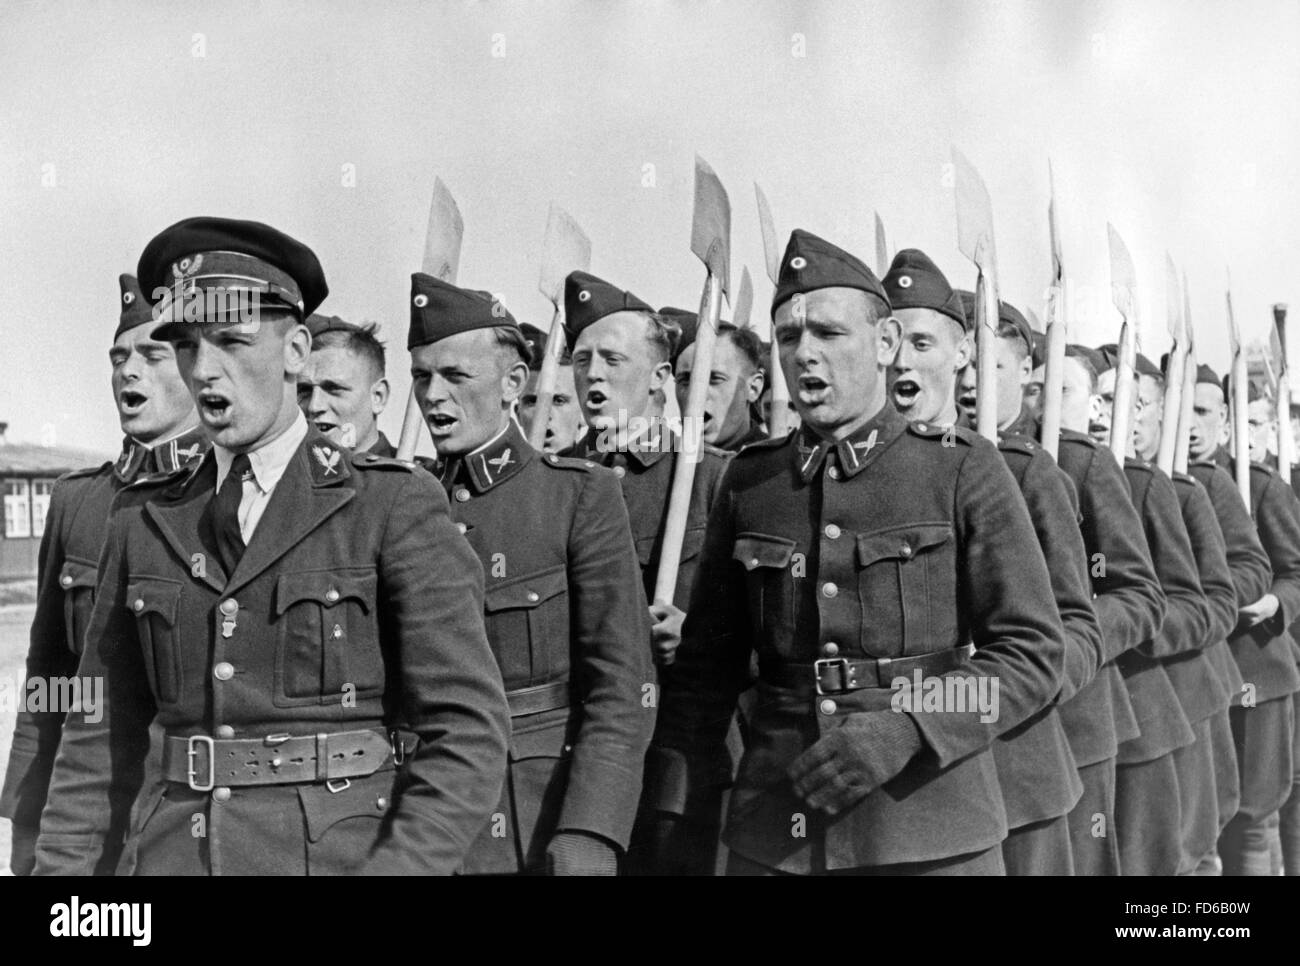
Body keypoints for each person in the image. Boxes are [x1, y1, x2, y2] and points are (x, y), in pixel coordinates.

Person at [34, 216, 510, 875]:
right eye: (187, 345)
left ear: (295, 352)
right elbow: (94, 743)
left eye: (231, 339)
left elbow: (466, 734)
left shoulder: (390, 505)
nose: (205, 370)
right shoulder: (141, 520)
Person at [651, 229, 1066, 875]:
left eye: (828, 334)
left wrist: (911, 726)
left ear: (886, 344)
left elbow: (1033, 657)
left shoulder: (961, 471)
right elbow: (708, 669)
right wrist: (675, 802)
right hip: (776, 829)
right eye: (789, 337)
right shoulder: (754, 480)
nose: (805, 354)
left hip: (930, 829)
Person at [406, 272, 654, 874]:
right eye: (421, 376)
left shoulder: (576, 496)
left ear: (513, 383)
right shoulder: (400, 503)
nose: (434, 396)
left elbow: (622, 687)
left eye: (456, 377)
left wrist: (590, 829)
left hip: (533, 822)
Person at [885, 251, 1099, 875]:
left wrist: (1007, 682)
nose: (903, 361)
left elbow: (1072, 630)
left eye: (922, 343)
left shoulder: (1023, 473)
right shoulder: (846, 481)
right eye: (891, 342)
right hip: (910, 785)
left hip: (1015, 763)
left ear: (958, 358)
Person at [0, 273, 208, 875]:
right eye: (119, 357)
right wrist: (30, 821)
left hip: (186, 820)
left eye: (151, 355)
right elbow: (51, 680)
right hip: (91, 816)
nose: (128, 372)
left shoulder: (231, 495)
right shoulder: (80, 501)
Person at [1094, 346, 1209, 875]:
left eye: (1129, 404)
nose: (1108, 414)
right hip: (1074, 720)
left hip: (1146, 702)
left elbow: (1200, 602)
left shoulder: (1149, 487)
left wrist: (1119, 621)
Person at [1189, 366, 1300, 875]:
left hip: (1255, 670)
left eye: (1202, 412)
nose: (1189, 424)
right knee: (1202, 822)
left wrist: (1274, 604)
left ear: (1226, 421)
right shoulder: (1151, 485)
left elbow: (1294, 572)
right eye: (1180, 409)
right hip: (1195, 677)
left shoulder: (1257, 485)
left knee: (1254, 816)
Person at [1138, 357, 1240, 874]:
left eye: (1137, 406)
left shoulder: (1187, 489)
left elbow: (1223, 595)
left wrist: (1135, 619)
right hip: (1126, 707)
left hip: (1188, 685)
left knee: (1192, 853)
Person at [297, 314, 393, 456]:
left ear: (378, 397)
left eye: (333, 389)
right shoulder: (279, 475)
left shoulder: (424, 477)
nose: (314, 406)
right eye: (304, 390)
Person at [674, 322, 767, 451]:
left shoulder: (777, 466)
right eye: (684, 380)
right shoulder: (665, 464)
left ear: (753, 388)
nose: (695, 395)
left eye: (715, 379)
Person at [517, 326, 586, 454]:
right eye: (532, 401)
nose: (543, 414)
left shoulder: (601, 472)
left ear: (583, 411)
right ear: (518, 414)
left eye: (558, 400)